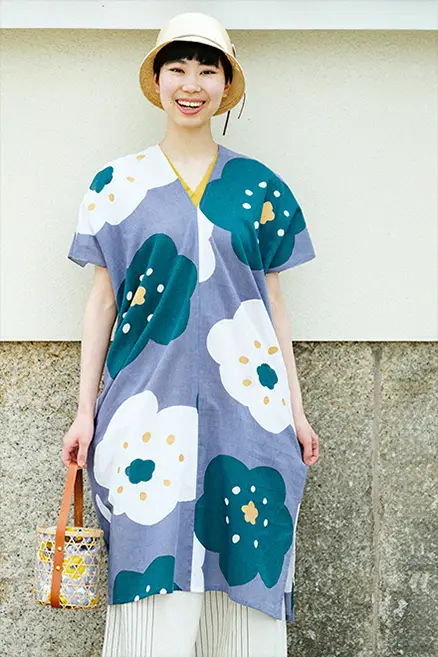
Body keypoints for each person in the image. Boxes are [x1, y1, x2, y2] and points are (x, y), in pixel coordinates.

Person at [62, 11, 319, 657]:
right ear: (158, 80)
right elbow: (102, 303)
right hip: (144, 411)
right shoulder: (115, 185)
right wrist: (84, 411)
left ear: (226, 85)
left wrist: (296, 410)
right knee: (151, 569)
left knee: (245, 566)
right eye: (177, 68)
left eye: (207, 70)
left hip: (249, 411)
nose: (191, 84)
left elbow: (275, 306)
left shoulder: (261, 187)